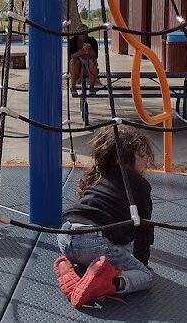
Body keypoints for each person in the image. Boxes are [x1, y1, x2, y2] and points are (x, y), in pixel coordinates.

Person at [54, 126, 155, 308]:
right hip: (94, 242)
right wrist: (142, 262)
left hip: (65, 236)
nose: (147, 159)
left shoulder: (99, 176)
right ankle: (108, 284)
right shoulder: (140, 185)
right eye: (142, 155)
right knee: (146, 277)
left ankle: (73, 272)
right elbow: (144, 228)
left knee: (106, 247)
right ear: (122, 160)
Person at [68, 22, 99, 95]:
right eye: (82, 34)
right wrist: (80, 52)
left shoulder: (92, 41)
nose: (84, 36)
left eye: (86, 34)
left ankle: (91, 87)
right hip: (77, 65)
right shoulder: (72, 41)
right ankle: (73, 87)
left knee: (93, 61)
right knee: (73, 61)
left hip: (88, 64)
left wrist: (90, 50)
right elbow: (71, 56)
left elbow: (95, 56)